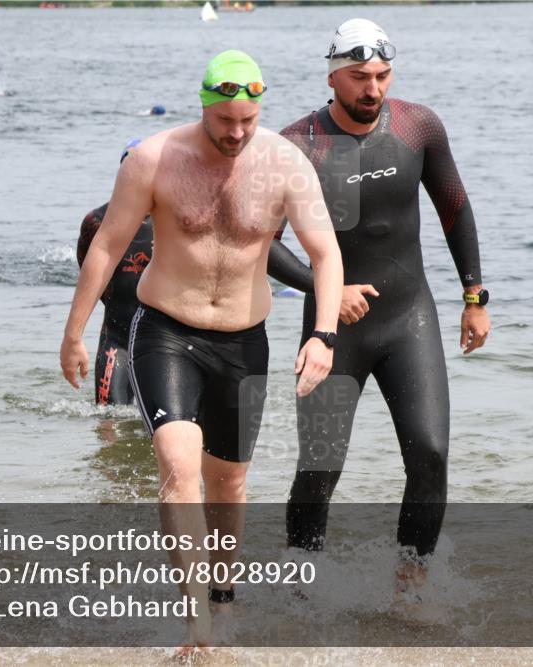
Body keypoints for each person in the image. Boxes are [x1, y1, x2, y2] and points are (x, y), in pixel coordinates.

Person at [60, 50, 343, 655]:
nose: (236, 133)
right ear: (204, 104)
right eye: (225, 121)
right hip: (166, 329)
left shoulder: (284, 163)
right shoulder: (154, 159)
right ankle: (197, 625)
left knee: (230, 484)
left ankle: (222, 594)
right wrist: (74, 332)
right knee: (178, 466)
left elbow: (324, 253)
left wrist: (323, 335)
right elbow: (108, 246)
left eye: (248, 120)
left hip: (245, 340)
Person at [268, 19, 491, 601]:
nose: (374, 89)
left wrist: (474, 297)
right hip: (331, 329)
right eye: (360, 77)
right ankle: (301, 585)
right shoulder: (297, 145)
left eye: (383, 76)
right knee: (320, 468)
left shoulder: (418, 126)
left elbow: (455, 210)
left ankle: (410, 583)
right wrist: (327, 292)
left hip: (407, 316)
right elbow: (262, 243)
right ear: (333, 76)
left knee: (431, 453)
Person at [76, 139, 153, 405]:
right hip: (116, 339)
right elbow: (91, 274)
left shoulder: (173, 222)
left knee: (163, 429)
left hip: (164, 343)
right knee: (109, 422)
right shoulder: (97, 221)